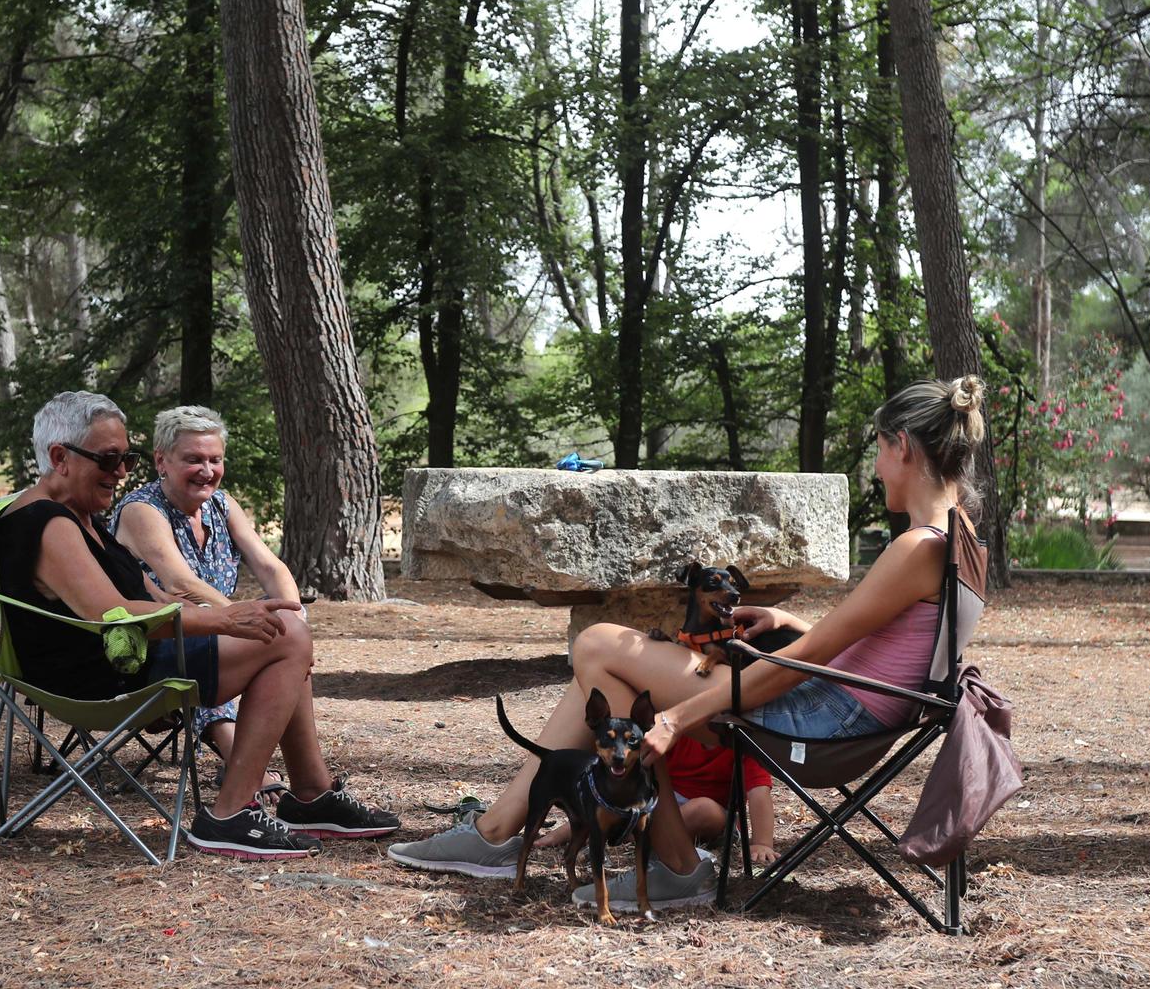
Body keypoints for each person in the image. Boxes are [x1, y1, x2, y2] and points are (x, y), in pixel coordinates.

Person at [387, 376, 989, 910]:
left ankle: (571, 847)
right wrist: (789, 619)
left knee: (598, 646)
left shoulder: (918, 547)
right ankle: (516, 833)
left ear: (902, 446)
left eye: (879, 453)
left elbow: (803, 664)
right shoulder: (961, 541)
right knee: (606, 673)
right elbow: (899, 648)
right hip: (852, 710)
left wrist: (680, 715)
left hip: (823, 721)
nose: (877, 469)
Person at [0, 390, 399, 859]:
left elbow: (152, 595)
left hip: (123, 661)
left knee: (285, 634)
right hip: (103, 676)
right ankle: (232, 815)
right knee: (287, 638)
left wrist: (235, 617)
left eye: (125, 458)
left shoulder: (80, 516)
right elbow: (112, 615)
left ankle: (310, 795)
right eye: (108, 460)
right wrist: (223, 618)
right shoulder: (49, 523)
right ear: (59, 457)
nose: (122, 472)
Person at [112, 406, 300, 796]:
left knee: (291, 635)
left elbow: (269, 566)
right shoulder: (141, 510)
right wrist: (241, 618)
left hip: (220, 629)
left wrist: (294, 615)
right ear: (161, 460)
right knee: (269, 640)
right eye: (193, 460)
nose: (207, 470)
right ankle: (247, 766)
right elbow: (180, 583)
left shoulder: (223, 505)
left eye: (215, 459)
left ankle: (289, 777)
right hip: (157, 639)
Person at [533, 733, 778, 866]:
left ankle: (624, 833)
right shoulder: (679, 734)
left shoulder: (742, 743)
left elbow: (759, 793)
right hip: (663, 805)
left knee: (704, 809)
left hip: (713, 813)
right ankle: (570, 830)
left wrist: (762, 842)